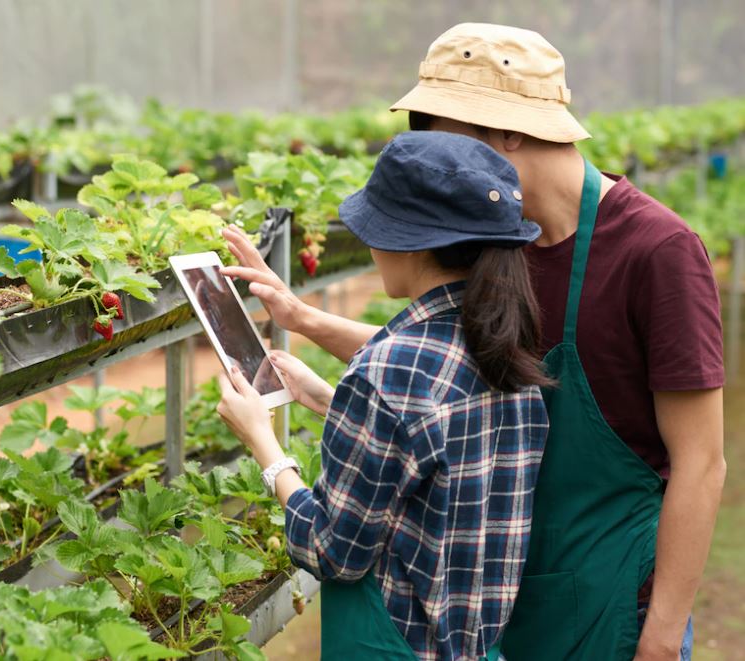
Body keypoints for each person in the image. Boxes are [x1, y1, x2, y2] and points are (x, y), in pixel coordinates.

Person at [226, 22, 726, 661]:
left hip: (613, 605)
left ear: (510, 130)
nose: (435, 161)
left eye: (440, 137)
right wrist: (303, 319)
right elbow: (446, 371)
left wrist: (660, 636)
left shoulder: (656, 252)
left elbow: (702, 463)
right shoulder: (500, 245)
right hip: (500, 597)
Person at [216, 130, 550, 660]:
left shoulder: (389, 369)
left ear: (411, 241)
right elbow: (429, 446)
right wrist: (330, 397)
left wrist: (264, 445)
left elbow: (332, 550)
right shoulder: (507, 344)